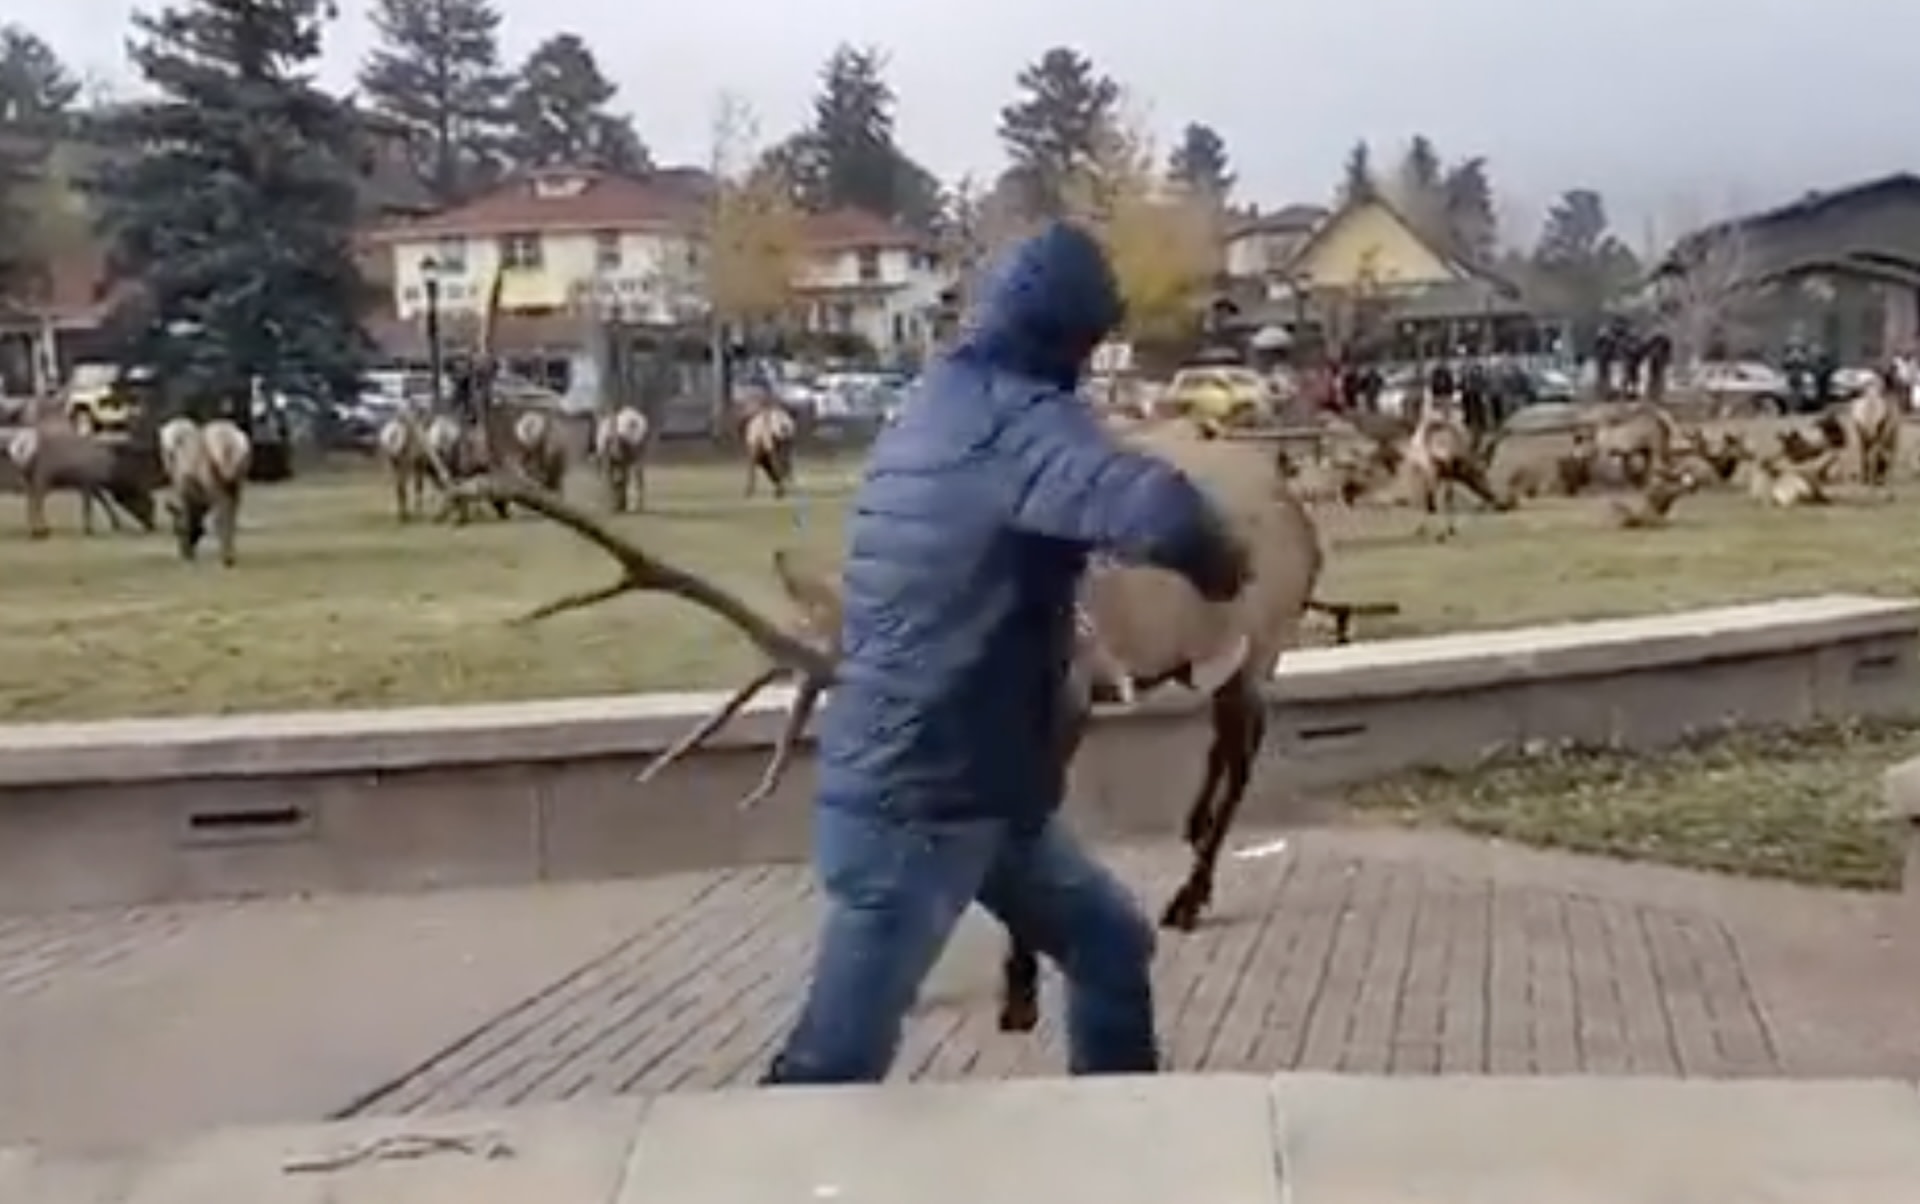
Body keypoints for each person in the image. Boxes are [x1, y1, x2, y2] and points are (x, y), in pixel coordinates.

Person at [762, 222, 1249, 1086]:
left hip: (978, 788)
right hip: (919, 802)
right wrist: (1225, 564)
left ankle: (1125, 1133)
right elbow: (1161, 514)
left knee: (1110, 946)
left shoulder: (938, 401)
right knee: (827, 1072)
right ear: (1074, 336)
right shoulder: (1018, 422)